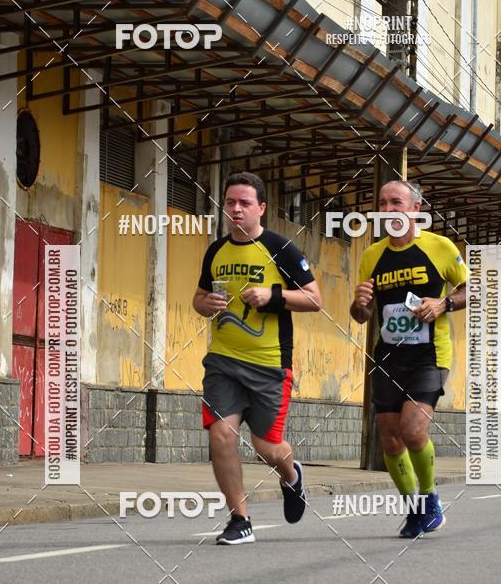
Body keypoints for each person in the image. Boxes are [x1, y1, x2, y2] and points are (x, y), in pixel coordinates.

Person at [192, 171, 322, 545]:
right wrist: (207, 304)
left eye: (244, 203)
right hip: (223, 362)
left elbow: (315, 299)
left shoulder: (281, 249)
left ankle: (292, 475)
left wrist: (273, 296)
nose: (236, 209)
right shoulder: (216, 250)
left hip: (269, 366)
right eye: (230, 202)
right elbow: (198, 300)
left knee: (266, 446)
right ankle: (240, 519)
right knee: (221, 435)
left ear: (260, 208)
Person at [350, 180, 467, 538]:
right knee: (389, 438)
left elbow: (472, 288)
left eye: (396, 202)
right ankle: (414, 510)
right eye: (382, 203)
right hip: (388, 355)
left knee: (413, 429)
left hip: (430, 355)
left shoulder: (440, 247)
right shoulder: (372, 255)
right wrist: (360, 302)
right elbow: (361, 316)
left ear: (415, 208)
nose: (388, 209)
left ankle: (430, 499)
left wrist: (443, 303)